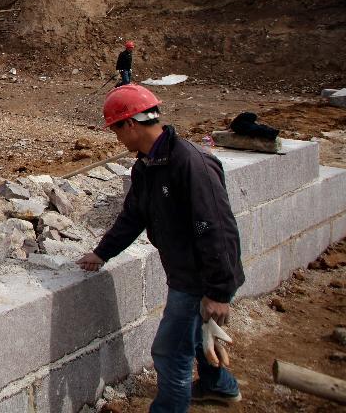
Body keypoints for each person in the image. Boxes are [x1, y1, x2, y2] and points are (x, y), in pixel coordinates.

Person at [76, 85, 244, 411]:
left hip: (200, 279)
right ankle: (219, 386)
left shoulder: (190, 164)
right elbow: (133, 216)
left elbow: (216, 230)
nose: (116, 139)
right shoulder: (148, 167)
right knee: (193, 335)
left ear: (131, 125)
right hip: (186, 272)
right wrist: (102, 252)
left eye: (116, 130)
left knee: (169, 350)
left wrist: (219, 292)